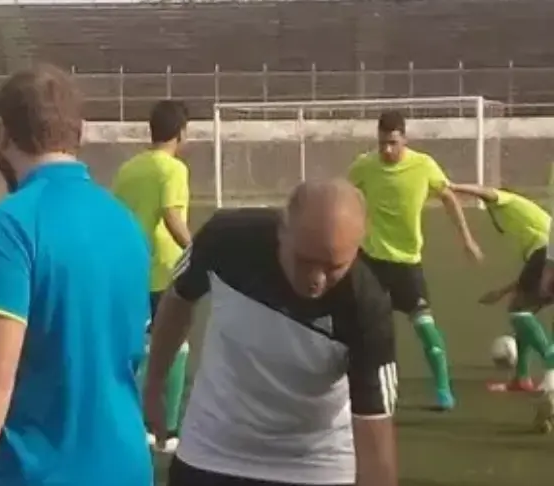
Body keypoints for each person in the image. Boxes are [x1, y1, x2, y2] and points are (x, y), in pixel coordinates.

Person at [0, 65, 152, 486]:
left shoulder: (6, 225)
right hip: (126, 464)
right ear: (79, 132)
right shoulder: (124, 222)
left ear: (2, 134)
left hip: (37, 471)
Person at [148, 180, 398, 486]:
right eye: (305, 261)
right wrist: (154, 386)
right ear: (283, 231)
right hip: (210, 451)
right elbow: (179, 298)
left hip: (315, 466)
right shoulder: (226, 238)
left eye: (334, 267)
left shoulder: (366, 303)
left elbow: (375, 438)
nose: (316, 279)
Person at [347, 110, 482, 411]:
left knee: (425, 328)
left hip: (407, 264)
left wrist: (467, 239)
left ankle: (443, 389)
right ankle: (353, 387)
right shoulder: (364, 166)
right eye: (382, 143)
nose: (386, 150)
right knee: (358, 326)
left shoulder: (424, 165)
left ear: (405, 139)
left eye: (393, 143)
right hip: (371, 261)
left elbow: (448, 197)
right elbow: (346, 196)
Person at [112, 99, 193, 452]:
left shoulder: (128, 169)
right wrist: (198, 251)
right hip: (165, 267)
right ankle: (167, 432)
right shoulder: (172, 169)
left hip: (130, 266)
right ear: (181, 133)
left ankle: (135, 425)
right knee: (176, 345)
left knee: (138, 345)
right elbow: (172, 216)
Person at [452, 184, 554, 395]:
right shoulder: (522, 220)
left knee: (519, 311)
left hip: (545, 254)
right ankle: (521, 378)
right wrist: (501, 292)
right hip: (543, 256)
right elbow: (527, 280)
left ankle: (550, 361)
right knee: (523, 311)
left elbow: (486, 191)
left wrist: (452, 186)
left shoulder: (508, 201)